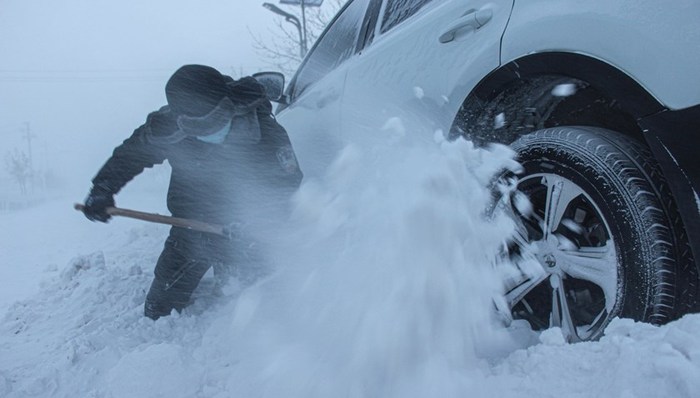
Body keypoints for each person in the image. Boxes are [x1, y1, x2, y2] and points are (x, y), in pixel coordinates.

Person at [81, 64, 303, 320]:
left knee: (257, 303)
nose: (210, 130)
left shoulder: (263, 129)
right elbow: (130, 155)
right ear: (181, 119)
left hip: (248, 229)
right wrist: (103, 187)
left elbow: (287, 183)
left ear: (228, 104)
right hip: (192, 227)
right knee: (158, 311)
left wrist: (258, 221)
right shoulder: (167, 129)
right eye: (198, 125)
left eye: (215, 119)